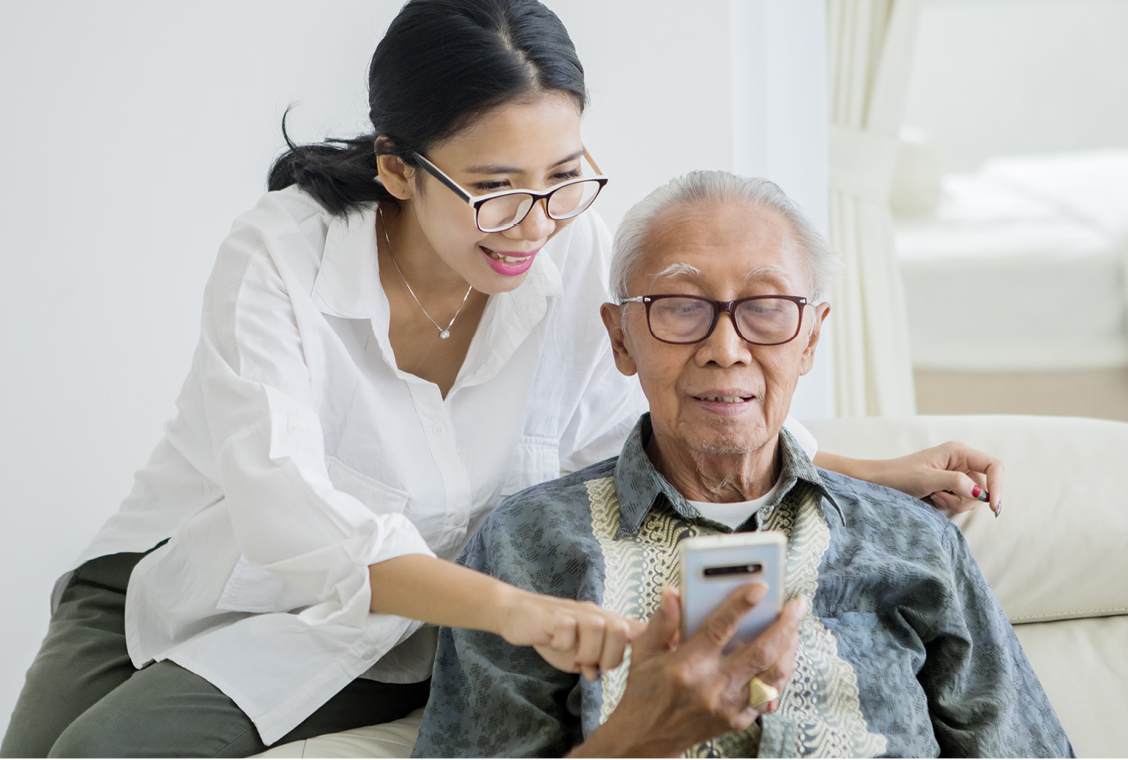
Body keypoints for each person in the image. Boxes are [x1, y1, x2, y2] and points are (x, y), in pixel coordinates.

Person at [2, 1, 1002, 757]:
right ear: (397, 168)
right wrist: (522, 613)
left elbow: (648, 419)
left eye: (563, 175)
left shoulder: (573, 249)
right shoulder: (282, 256)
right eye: (492, 191)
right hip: (193, 566)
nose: (536, 223)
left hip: (398, 620)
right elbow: (285, 517)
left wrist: (869, 470)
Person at [412, 171, 1071, 758]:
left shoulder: (918, 543)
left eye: (765, 308)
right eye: (680, 307)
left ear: (810, 339)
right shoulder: (524, 547)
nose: (725, 348)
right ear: (620, 338)